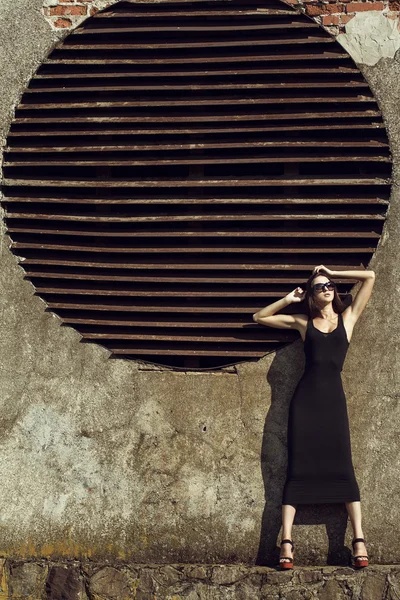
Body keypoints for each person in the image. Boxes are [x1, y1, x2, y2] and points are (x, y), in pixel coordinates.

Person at [253, 264, 375, 570]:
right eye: (320, 286)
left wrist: (333, 272)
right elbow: (260, 317)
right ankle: (286, 542)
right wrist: (288, 298)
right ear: (311, 294)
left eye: (329, 285)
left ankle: (358, 539)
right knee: (298, 468)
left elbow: (370, 277)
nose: (326, 289)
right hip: (304, 404)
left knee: (344, 466)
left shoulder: (348, 319)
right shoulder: (304, 324)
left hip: (334, 404)